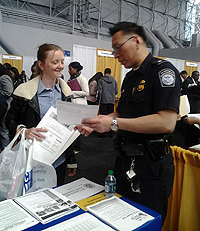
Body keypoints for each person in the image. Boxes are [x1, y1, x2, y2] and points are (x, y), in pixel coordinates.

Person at [75, 22, 181, 224]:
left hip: (151, 164)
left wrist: (114, 122)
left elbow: (166, 123)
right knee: (120, 219)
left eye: (118, 47)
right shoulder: (130, 77)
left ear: (136, 41)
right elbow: (121, 113)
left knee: (146, 221)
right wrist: (99, 122)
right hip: (124, 159)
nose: (115, 55)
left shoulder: (162, 72)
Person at [6, 43, 77, 186]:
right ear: (41, 64)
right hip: (32, 160)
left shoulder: (66, 92)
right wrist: (24, 131)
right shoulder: (24, 92)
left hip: (59, 160)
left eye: (62, 62)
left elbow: (69, 128)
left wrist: (71, 160)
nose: (60, 66)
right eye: (55, 62)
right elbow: (10, 121)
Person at [67, 61, 89, 153]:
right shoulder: (70, 79)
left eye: (70, 69)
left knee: (78, 127)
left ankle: (77, 147)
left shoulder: (82, 79)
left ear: (76, 69)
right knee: (73, 127)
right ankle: (73, 146)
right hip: (72, 106)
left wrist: (72, 93)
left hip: (79, 106)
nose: (68, 71)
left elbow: (86, 93)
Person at [0, 63, 14, 151]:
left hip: (6, 106)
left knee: (3, 130)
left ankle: (5, 152)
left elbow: (9, 92)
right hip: (4, 105)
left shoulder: (3, 77)